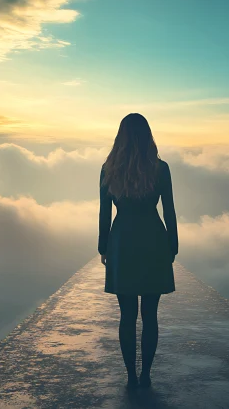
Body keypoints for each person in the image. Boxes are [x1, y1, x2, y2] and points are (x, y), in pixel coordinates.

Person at [98, 113, 178, 391]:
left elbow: (104, 213)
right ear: (148, 136)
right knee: (151, 314)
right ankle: (146, 376)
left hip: (122, 242)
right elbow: (168, 209)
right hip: (153, 240)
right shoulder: (161, 168)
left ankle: (131, 375)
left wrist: (103, 246)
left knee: (127, 314)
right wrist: (173, 245)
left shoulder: (109, 169)